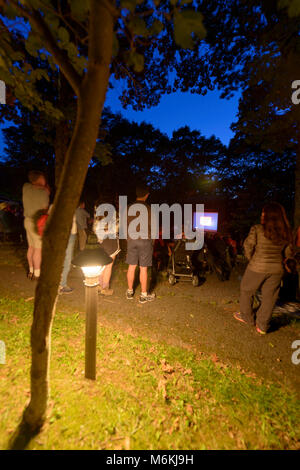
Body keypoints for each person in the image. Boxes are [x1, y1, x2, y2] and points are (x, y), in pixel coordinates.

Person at [234, 202, 293, 334]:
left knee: (246, 290)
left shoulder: (257, 229)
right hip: (277, 270)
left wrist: (251, 260)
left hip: (257, 267)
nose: (261, 215)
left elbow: (248, 246)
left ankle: (247, 318)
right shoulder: (286, 232)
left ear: (268, 216)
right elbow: (288, 254)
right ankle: (262, 326)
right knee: (269, 297)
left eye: (263, 213)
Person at [126, 184, 156, 304]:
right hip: (145, 240)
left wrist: (128, 239)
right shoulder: (149, 209)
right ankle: (143, 295)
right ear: (147, 195)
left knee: (131, 266)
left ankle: (129, 292)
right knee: (143, 268)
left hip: (132, 239)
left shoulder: (128, 208)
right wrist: (152, 243)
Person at [22, 170, 50, 280]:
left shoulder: (25, 187)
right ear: (39, 179)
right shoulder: (43, 193)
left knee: (31, 247)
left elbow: (32, 185)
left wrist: (43, 188)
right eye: (43, 178)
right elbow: (45, 209)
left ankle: (31, 270)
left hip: (27, 221)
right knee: (38, 248)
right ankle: (37, 274)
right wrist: (45, 191)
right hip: (38, 223)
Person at [93, 194, 121, 296]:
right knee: (108, 266)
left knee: (101, 265)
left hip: (101, 241)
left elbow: (95, 229)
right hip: (111, 241)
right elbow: (117, 229)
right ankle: (105, 288)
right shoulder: (115, 214)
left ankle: (98, 286)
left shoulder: (98, 215)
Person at [59, 214, 77, 294]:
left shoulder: (53, 207)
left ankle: (57, 284)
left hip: (59, 234)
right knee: (67, 260)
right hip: (68, 234)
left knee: (60, 259)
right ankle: (61, 285)